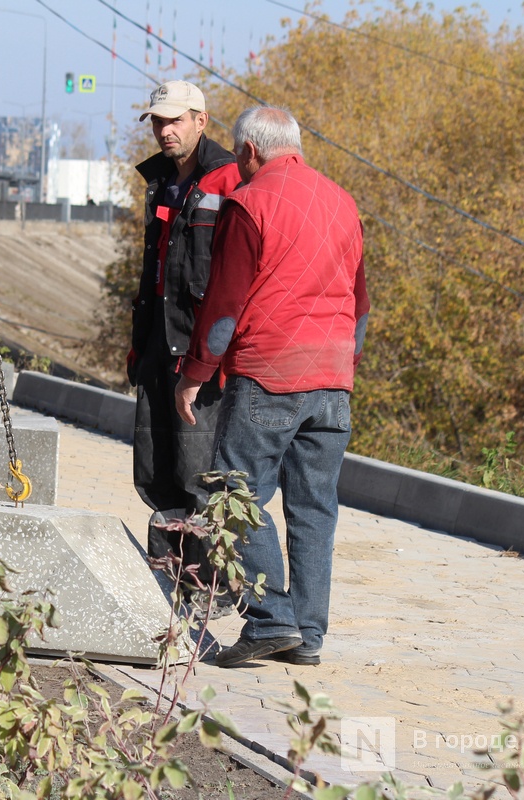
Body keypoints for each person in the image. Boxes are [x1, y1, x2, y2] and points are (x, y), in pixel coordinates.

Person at [175, 106, 370, 668]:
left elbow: (225, 304)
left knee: (230, 494)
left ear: (248, 152)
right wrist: (342, 361)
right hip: (334, 381)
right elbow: (359, 305)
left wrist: (195, 374)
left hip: (270, 375)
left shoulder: (249, 201)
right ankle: (307, 636)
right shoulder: (343, 202)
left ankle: (269, 619)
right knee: (314, 508)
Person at [127, 80, 242, 583]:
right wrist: (138, 343)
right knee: (154, 470)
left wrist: (215, 355)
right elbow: (155, 271)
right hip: (157, 344)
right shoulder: (162, 183)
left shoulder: (229, 181)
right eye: (157, 121)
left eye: (175, 120)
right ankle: (169, 578)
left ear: (202, 120)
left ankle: (207, 584)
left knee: (199, 474)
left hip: (199, 352)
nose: (164, 130)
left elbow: (237, 275)